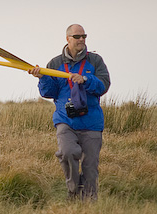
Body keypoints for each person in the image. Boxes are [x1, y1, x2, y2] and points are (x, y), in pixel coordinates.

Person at [28, 24, 110, 201]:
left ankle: (88, 203)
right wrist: (41, 77)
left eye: (84, 36)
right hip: (65, 120)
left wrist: (86, 79)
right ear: (67, 39)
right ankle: (73, 192)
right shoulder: (55, 63)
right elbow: (49, 92)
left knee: (90, 166)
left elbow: (104, 85)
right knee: (67, 152)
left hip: (91, 122)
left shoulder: (95, 61)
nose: (81, 39)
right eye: (77, 36)